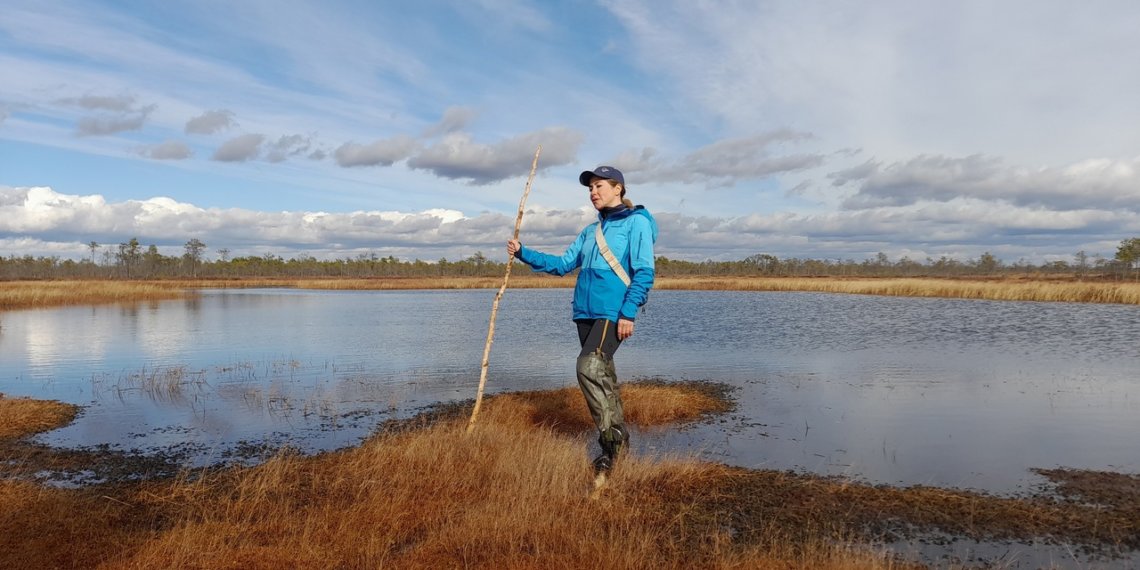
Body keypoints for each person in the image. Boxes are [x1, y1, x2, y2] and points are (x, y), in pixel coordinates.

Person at [507, 166, 658, 475]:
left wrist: (628, 312)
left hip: (612, 312)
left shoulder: (637, 223)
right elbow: (562, 265)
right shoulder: (591, 232)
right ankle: (619, 443)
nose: (593, 192)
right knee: (602, 376)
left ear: (618, 188)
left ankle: (610, 448)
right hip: (584, 313)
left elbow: (644, 271)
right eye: (590, 188)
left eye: (599, 185)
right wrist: (524, 253)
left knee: (588, 366)